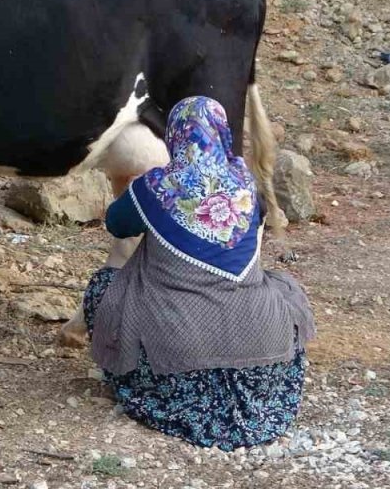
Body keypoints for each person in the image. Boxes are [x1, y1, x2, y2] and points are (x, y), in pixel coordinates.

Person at [83, 96, 315, 451]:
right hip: (261, 352)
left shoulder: (155, 187)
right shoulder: (248, 185)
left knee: (105, 288)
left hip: (176, 355)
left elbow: (117, 224)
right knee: (282, 287)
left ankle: (143, 383)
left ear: (174, 137)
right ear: (222, 134)